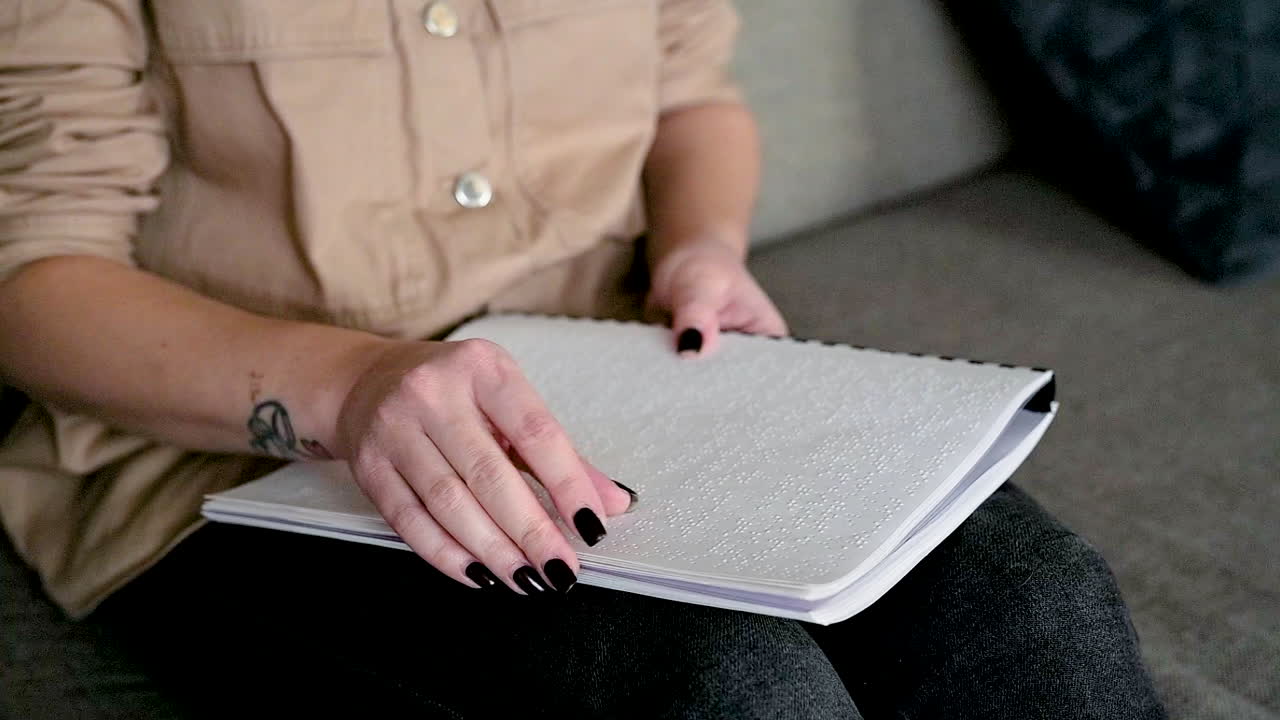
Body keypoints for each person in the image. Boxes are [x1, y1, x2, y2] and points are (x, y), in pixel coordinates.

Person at [0, 1, 1167, 717]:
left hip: (614, 372)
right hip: (223, 465)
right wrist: (350, 388)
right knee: (723, 691)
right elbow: (31, 281)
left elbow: (690, 100)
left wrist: (699, 249)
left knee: (1033, 605)